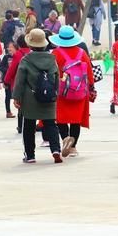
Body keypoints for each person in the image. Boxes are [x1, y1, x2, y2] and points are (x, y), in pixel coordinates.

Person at [12, 29, 62, 164]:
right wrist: (55, 93)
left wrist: (16, 97)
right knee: (51, 124)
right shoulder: (52, 59)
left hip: (30, 97)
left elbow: (20, 80)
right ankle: (56, 150)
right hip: (49, 96)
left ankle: (30, 155)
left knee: (28, 126)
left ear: (30, 45)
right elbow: (57, 78)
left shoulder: (26, 60)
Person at [49, 26, 96, 158]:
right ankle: (73, 147)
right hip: (80, 91)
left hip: (62, 91)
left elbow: (52, 72)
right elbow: (89, 73)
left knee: (61, 118)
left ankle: (65, 139)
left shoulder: (55, 54)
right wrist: (91, 87)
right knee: (76, 119)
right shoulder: (82, 53)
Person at [4, 34, 30, 133]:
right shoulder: (32, 52)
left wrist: (6, 80)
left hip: (20, 83)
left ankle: (20, 126)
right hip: (32, 83)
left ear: (18, 44)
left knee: (20, 107)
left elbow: (12, 69)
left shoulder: (18, 54)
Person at [0, 41, 16, 119]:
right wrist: (8, 70)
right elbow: (1, 67)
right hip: (8, 79)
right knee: (8, 96)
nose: (9, 48)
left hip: (16, 79)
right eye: (9, 47)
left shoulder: (17, 56)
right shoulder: (6, 57)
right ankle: (8, 112)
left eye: (11, 47)